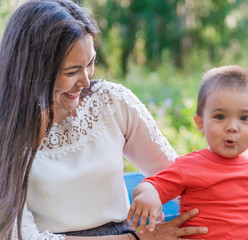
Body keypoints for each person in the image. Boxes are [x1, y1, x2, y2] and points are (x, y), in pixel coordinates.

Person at [0, 0, 209, 240]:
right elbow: (20, 235)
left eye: (90, 64)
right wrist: (134, 239)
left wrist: (153, 190)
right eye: (72, 72)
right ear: (33, 71)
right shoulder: (6, 131)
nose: (86, 81)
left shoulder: (112, 102)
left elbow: (178, 176)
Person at [128, 65, 248, 239]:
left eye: (244, 118)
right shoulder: (187, 166)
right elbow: (150, 185)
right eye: (220, 116)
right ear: (201, 123)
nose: (232, 127)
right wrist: (149, 195)